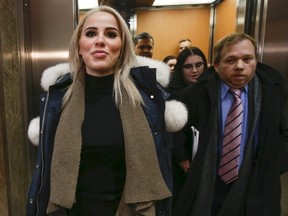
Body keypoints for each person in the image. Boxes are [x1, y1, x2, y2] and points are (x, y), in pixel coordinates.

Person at [26, 6, 188, 216]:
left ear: (122, 47)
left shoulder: (147, 99)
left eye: (111, 34)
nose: (100, 40)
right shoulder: (58, 99)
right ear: (78, 47)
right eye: (91, 33)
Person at [173, 32, 288, 216]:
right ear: (217, 66)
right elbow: (179, 131)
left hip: (257, 183)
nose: (240, 66)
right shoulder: (195, 95)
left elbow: (284, 132)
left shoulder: (273, 92)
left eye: (247, 59)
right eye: (231, 60)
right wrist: (182, 157)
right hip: (209, 183)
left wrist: (273, 165)